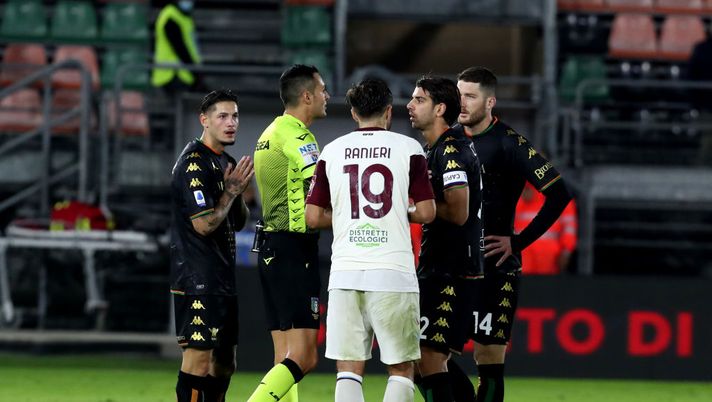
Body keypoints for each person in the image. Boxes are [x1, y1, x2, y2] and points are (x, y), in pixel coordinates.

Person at [305, 78, 436, 402]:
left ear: (353, 113)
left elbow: (312, 216)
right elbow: (428, 211)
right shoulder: (409, 148)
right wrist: (396, 211)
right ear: (389, 112)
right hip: (393, 271)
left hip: (346, 273)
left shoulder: (331, 152)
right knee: (402, 370)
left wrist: (348, 215)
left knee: (348, 369)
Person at [455, 66, 572, 402]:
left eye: (470, 96)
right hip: (451, 265)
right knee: (428, 355)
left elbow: (559, 191)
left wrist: (518, 241)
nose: (461, 102)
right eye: (459, 94)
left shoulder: (510, 142)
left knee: (488, 361)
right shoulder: (447, 139)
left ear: (489, 101)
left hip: (494, 266)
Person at [248, 64, 330, 402]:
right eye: (323, 89)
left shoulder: (269, 132)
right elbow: (318, 199)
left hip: (272, 248)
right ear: (307, 96)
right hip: (294, 250)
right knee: (305, 356)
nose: (328, 96)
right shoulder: (298, 137)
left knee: (283, 358)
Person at [169, 89, 254, 402]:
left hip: (221, 278)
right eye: (222, 116)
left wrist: (241, 194)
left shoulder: (225, 162)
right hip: (197, 278)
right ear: (204, 120)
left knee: (225, 364)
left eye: (234, 116)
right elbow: (203, 224)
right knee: (199, 360)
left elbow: (238, 222)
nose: (231, 122)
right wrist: (230, 193)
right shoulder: (194, 164)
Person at [407, 75, 485, 402]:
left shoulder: (450, 149)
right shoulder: (436, 149)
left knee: (428, 358)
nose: (410, 106)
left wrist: (410, 210)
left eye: (419, 100)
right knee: (424, 360)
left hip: (451, 269)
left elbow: (458, 211)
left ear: (440, 108)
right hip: (441, 266)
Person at [515, 182, 578, 275]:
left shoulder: (561, 198)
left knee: (546, 285)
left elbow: (569, 228)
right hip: (523, 255)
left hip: (549, 256)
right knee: (522, 285)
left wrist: (566, 252)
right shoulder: (519, 196)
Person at [152, 0, 204, 92]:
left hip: (183, 74)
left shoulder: (185, 17)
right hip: (172, 75)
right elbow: (180, 48)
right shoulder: (171, 17)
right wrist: (195, 73)